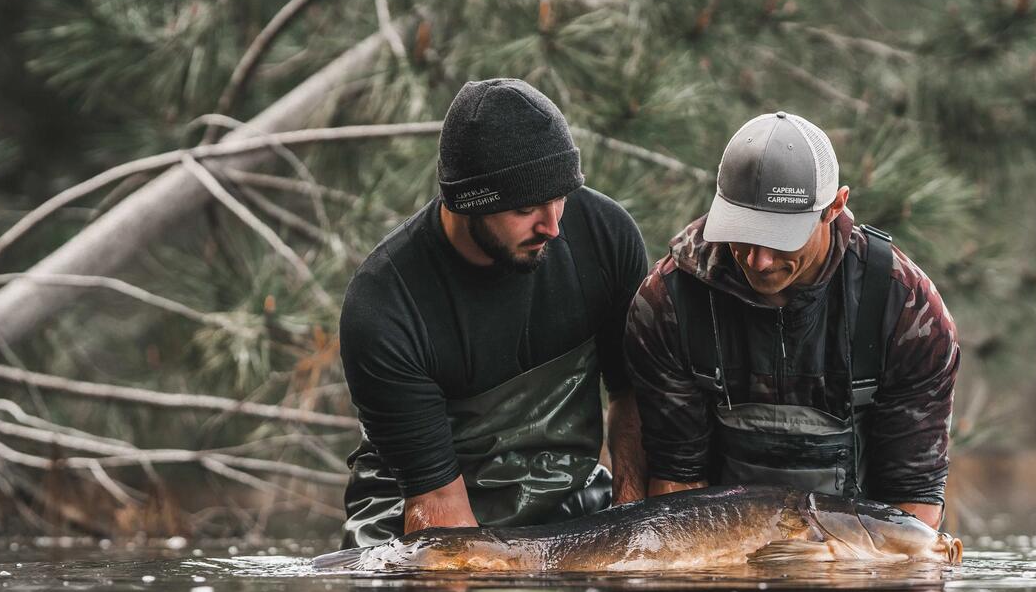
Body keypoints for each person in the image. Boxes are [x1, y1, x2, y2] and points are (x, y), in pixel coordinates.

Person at [338, 78, 649, 545]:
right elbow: (438, 508)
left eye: (561, 196)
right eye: (526, 208)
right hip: (418, 515)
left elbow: (632, 396)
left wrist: (629, 533)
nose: (553, 226)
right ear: (467, 204)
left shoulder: (607, 237)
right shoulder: (384, 306)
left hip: (567, 499)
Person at [623, 110, 959, 527]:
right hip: (720, 553)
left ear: (835, 207)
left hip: (855, 564)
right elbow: (676, 482)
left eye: (780, 237)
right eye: (744, 231)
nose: (757, 260)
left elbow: (913, 503)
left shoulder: (905, 307)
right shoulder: (669, 302)